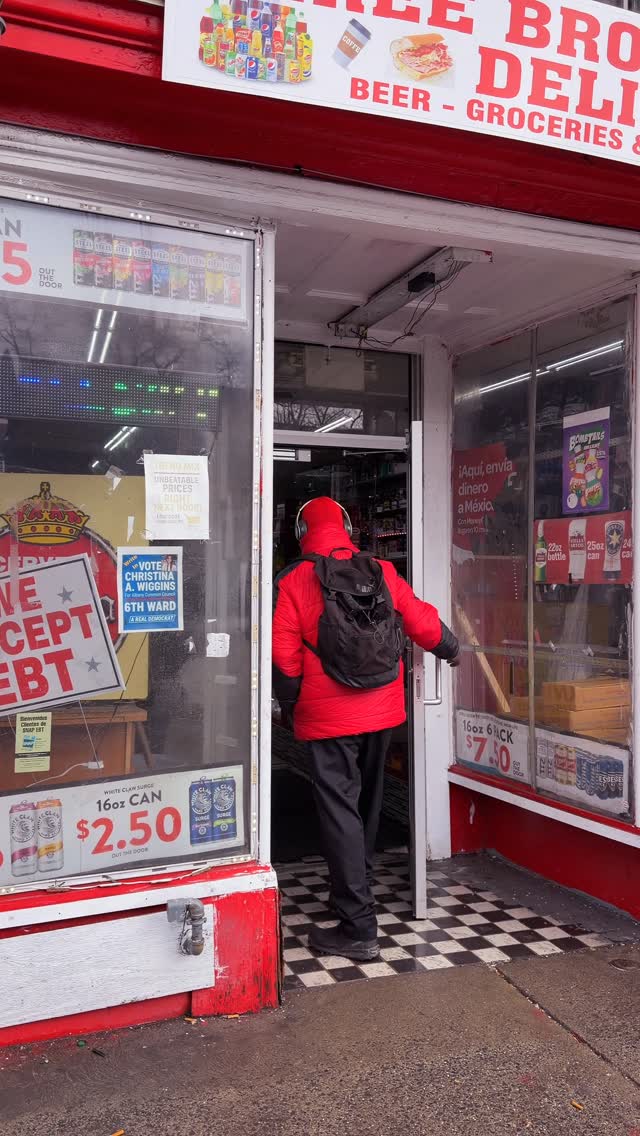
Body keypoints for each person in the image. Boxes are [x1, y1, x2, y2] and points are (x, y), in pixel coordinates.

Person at [272, 496, 460, 961]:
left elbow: (284, 655)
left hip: (328, 718)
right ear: (348, 527)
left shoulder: (293, 580)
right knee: (365, 808)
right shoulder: (380, 572)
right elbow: (418, 619)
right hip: (382, 711)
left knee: (339, 813)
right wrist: (451, 648)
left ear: (301, 531)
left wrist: (291, 705)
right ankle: (352, 893)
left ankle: (358, 927)